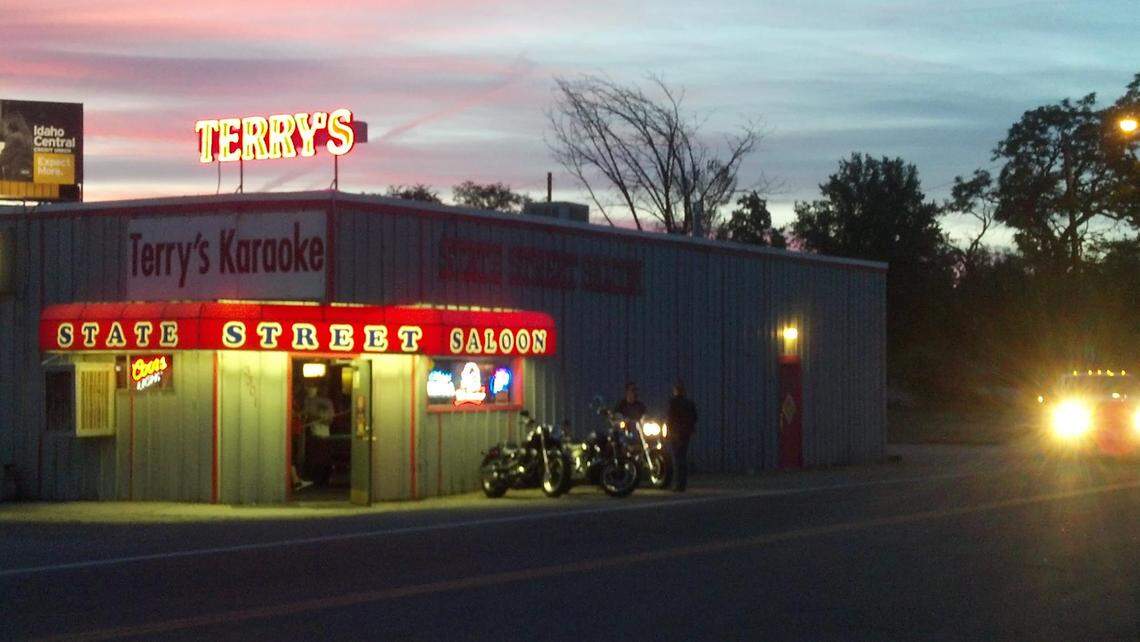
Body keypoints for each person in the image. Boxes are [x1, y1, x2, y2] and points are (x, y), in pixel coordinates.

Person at [666, 381, 697, 492]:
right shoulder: (689, 403)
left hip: (676, 433)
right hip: (686, 434)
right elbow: (695, 417)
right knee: (683, 458)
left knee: (677, 459)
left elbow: (670, 418)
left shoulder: (673, 403)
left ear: (675, 391)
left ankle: (678, 484)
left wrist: (669, 431)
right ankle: (683, 483)